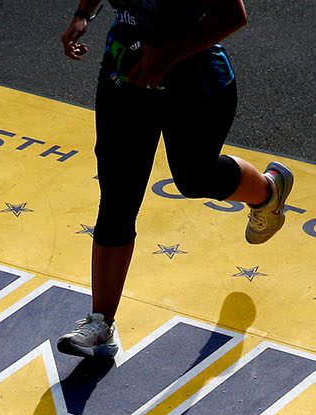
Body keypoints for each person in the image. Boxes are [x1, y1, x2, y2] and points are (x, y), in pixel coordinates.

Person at [56, 0, 291, 359]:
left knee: (195, 178)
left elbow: (232, 15)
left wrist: (167, 56)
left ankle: (267, 191)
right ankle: (101, 324)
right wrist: (83, 15)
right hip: (126, 73)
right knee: (118, 196)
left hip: (195, 80)